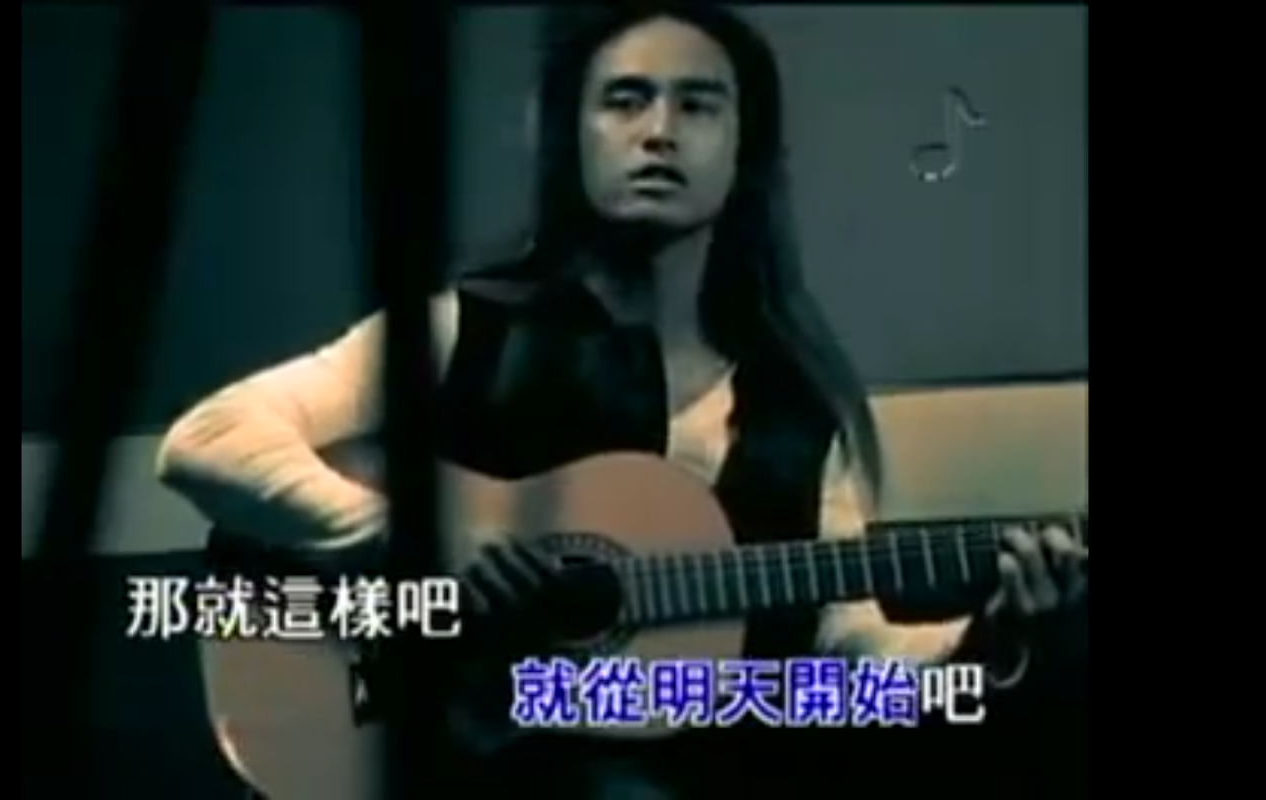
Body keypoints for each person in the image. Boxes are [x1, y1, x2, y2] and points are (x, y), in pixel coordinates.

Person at [156, 5, 1087, 798]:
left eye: (699, 103)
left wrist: (988, 638)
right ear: (574, 138)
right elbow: (207, 440)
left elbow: (842, 654)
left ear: (746, 150)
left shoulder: (799, 413)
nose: (659, 131)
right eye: (625, 99)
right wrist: (417, 537)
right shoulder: (465, 331)